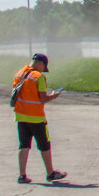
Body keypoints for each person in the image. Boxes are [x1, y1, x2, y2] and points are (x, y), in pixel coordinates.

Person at [12, 53, 66, 184]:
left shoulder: (20, 74)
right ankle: (50, 173)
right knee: (44, 146)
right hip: (36, 118)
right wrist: (54, 95)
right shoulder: (38, 77)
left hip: (21, 116)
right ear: (41, 63)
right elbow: (43, 98)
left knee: (24, 145)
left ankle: (22, 176)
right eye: (44, 67)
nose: (43, 70)